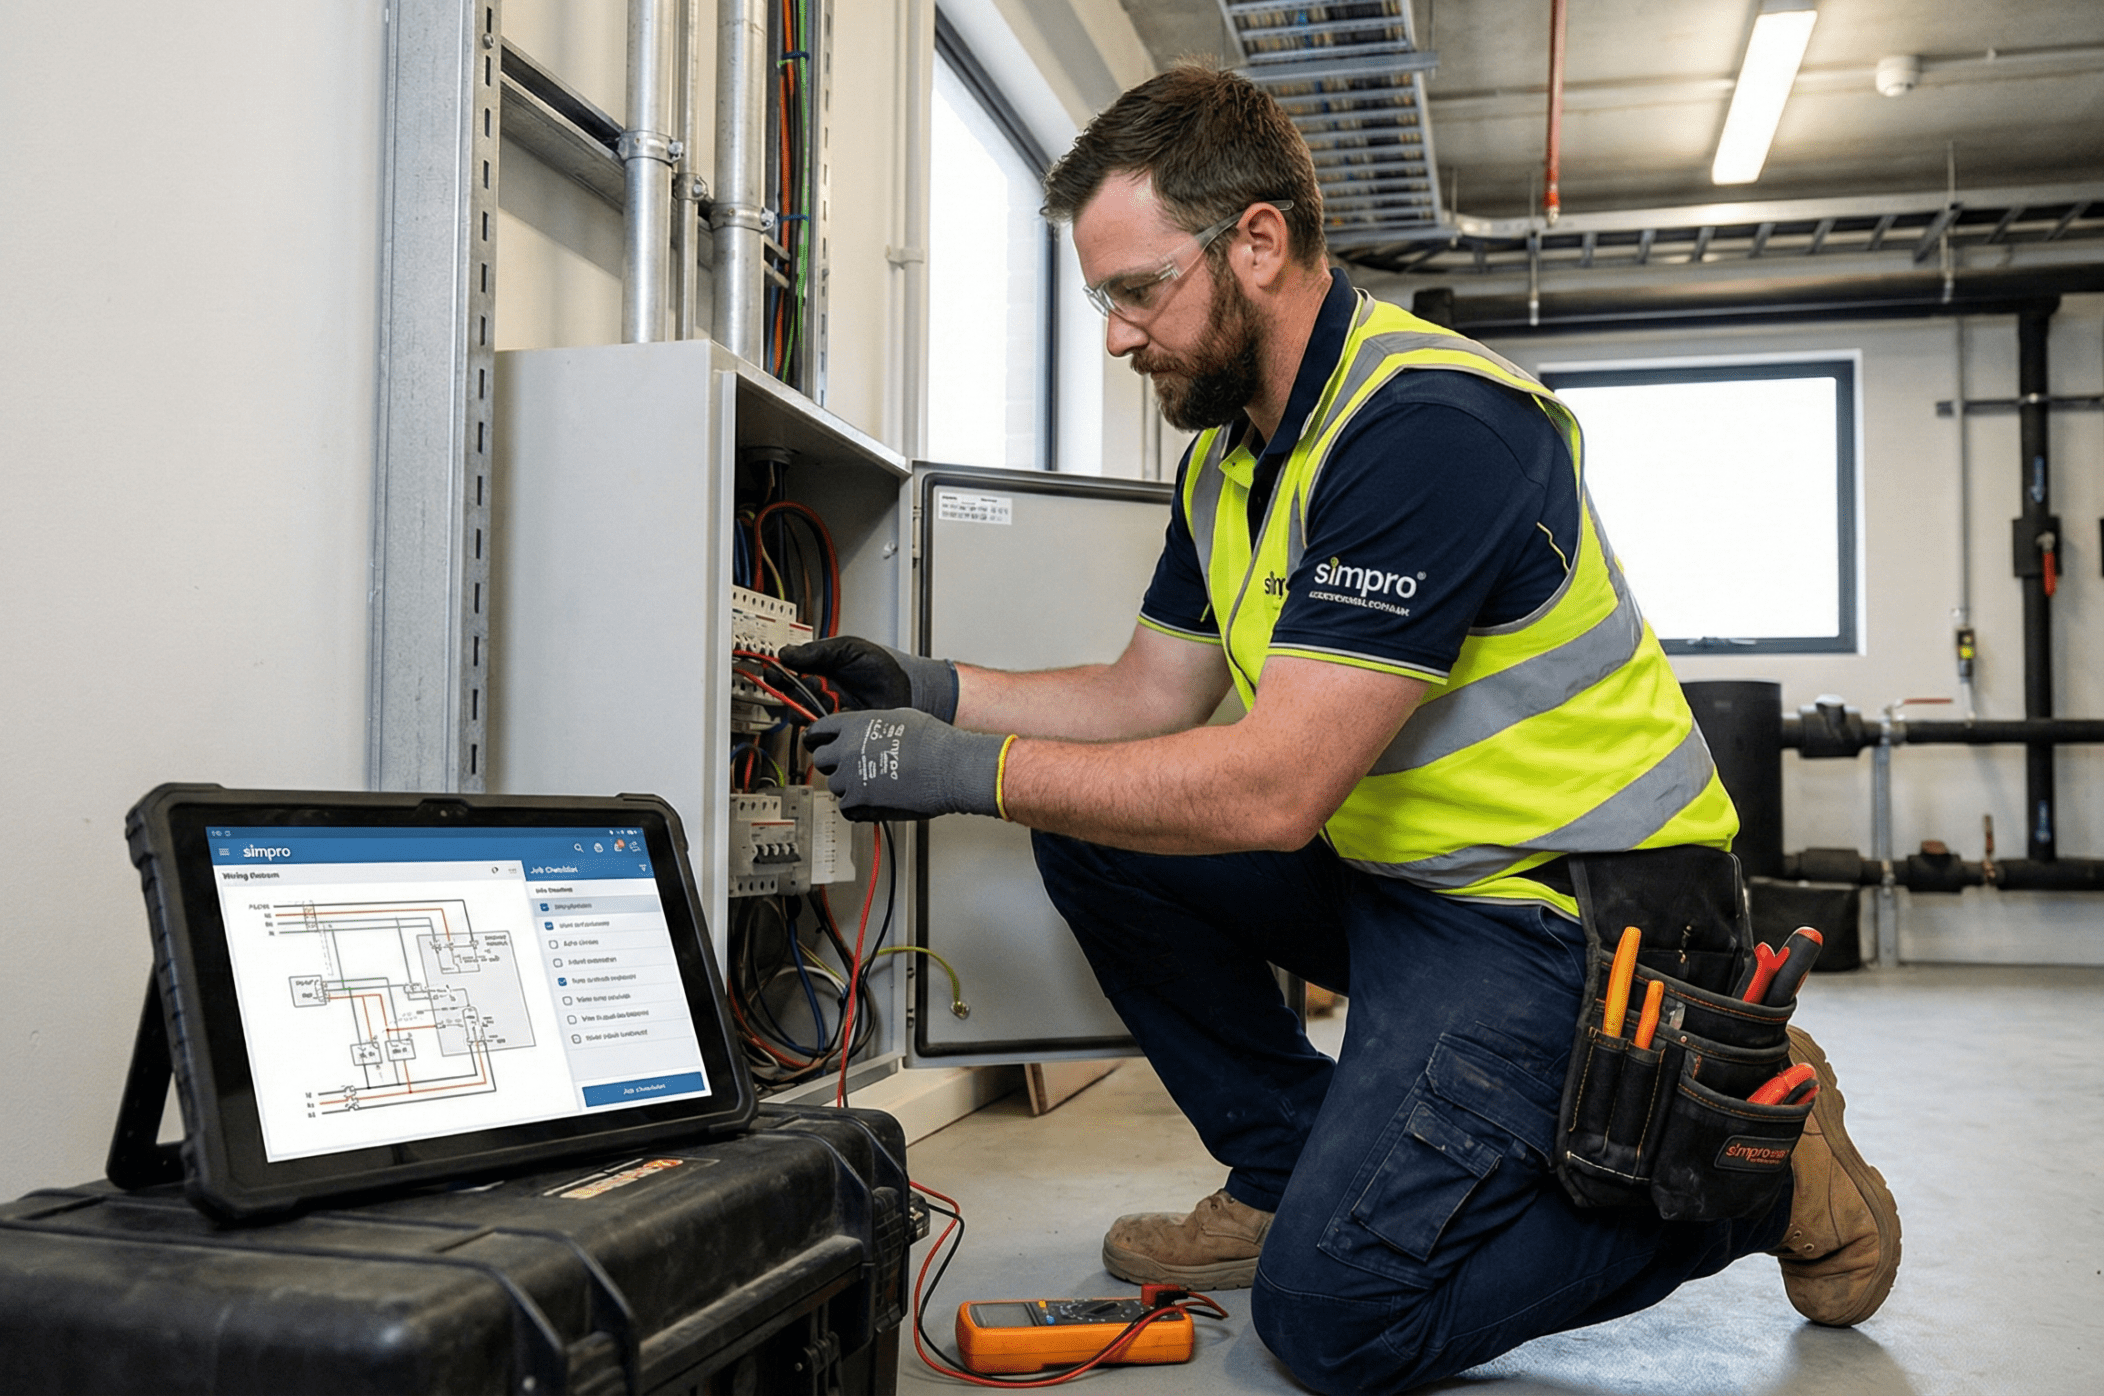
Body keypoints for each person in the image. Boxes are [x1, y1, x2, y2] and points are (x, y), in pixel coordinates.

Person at [785, 62, 1900, 1396]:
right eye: (1103, 299)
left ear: (1257, 241)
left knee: (1337, 1323)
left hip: (1580, 916)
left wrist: (969, 774)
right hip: (1410, 884)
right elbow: (1148, 698)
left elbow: (1273, 793)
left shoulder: (1433, 427)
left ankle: (1750, 1182)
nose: (1118, 336)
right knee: (1095, 836)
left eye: (1138, 291)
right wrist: (933, 689)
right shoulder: (1231, 461)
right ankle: (1286, 1171)